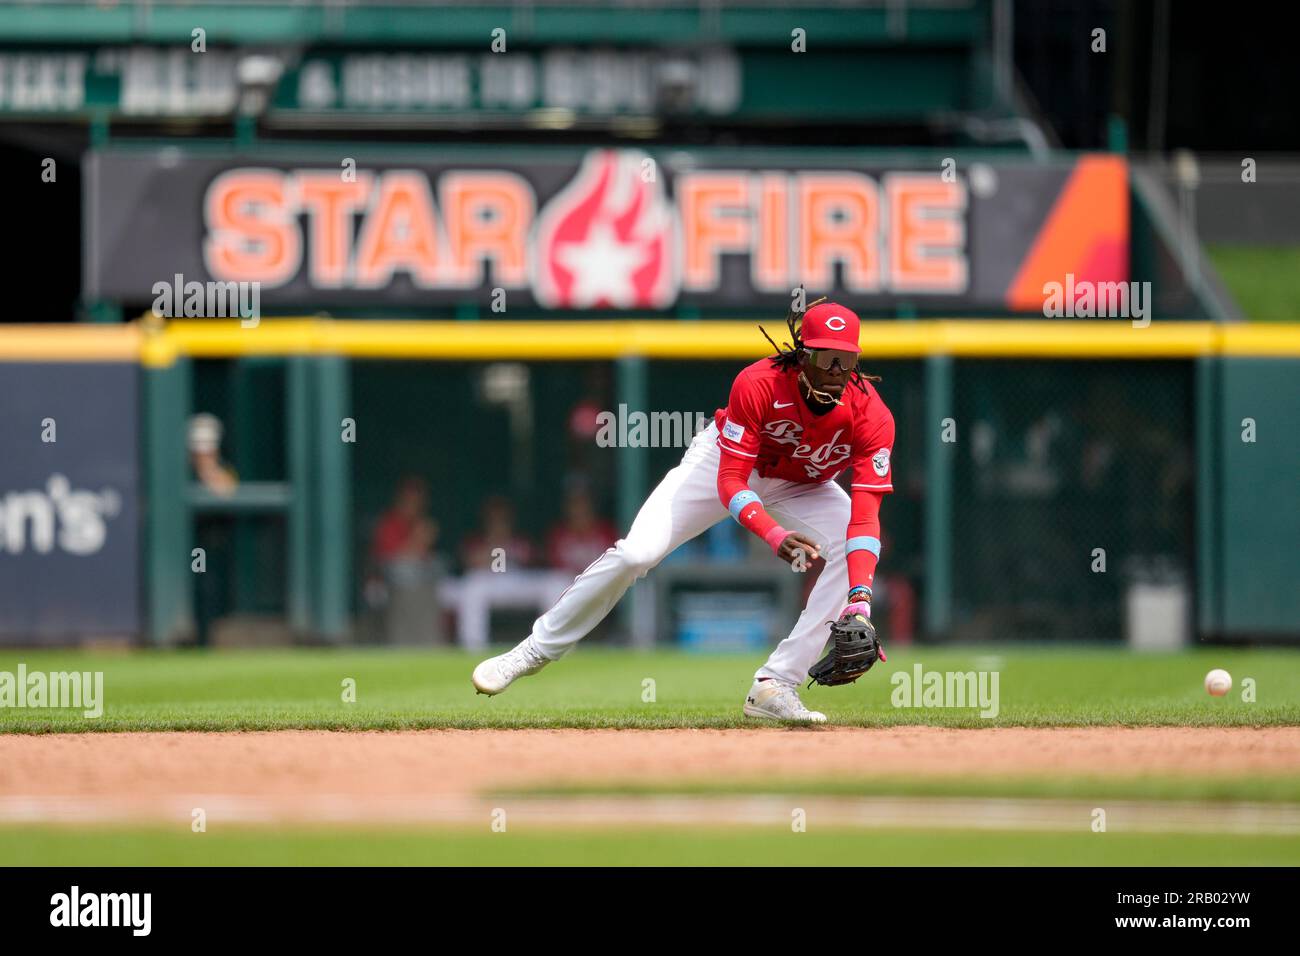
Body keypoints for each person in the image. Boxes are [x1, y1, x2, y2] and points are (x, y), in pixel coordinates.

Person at [472, 298, 896, 724]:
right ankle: (533, 651)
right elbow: (731, 481)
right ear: (804, 355)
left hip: (805, 484)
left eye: (847, 359)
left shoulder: (871, 415)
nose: (837, 369)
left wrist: (859, 603)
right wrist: (772, 533)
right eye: (827, 356)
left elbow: (865, 518)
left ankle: (776, 685)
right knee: (637, 553)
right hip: (724, 464)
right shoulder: (759, 383)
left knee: (849, 540)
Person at [545, 481, 618, 577]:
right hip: (569, 586)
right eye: (574, 503)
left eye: (583, 502)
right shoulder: (558, 535)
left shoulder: (606, 532)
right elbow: (554, 569)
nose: (579, 509)